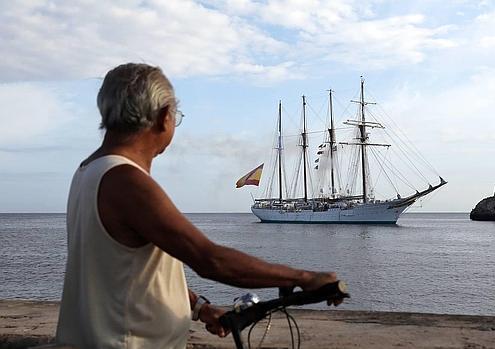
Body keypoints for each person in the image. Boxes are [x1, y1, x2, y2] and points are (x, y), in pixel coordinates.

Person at [55, 63, 340, 348]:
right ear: (164, 116)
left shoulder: (88, 171)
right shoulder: (125, 180)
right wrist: (304, 277)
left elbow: (131, 274)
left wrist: (199, 307)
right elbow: (210, 260)